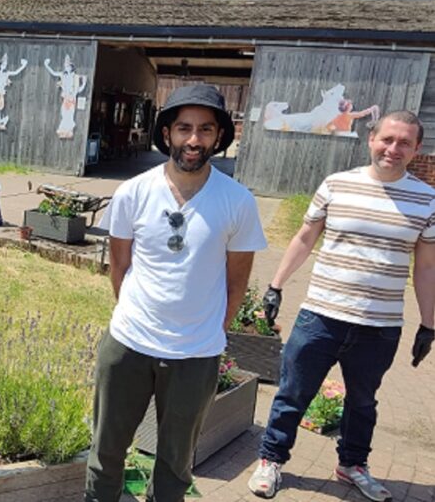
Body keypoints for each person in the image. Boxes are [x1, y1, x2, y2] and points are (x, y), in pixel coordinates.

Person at [85, 84, 267, 502]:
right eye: (183, 127)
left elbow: (236, 282)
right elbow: (120, 267)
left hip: (196, 354)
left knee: (175, 461)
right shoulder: (133, 191)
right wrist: (137, 315)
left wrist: (205, 330)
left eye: (205, 129)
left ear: (219, 136)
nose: (193, 139)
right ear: (166, 132)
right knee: (107, 451)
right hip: (129, 344)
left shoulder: (237, 201)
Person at [248, 110, 435, 501]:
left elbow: (427, 266)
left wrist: (429, 323)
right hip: (321, 315)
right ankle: (271, 459)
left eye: (404, 143)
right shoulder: (336, 184)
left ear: (417, 149)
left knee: (363, 401)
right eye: (387, 139)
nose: (393, 148)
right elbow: (303, 238)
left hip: (380, 325)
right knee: (292, 392)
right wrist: (275, 285)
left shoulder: (427, 200)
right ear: (371, 139)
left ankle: (352, 465)